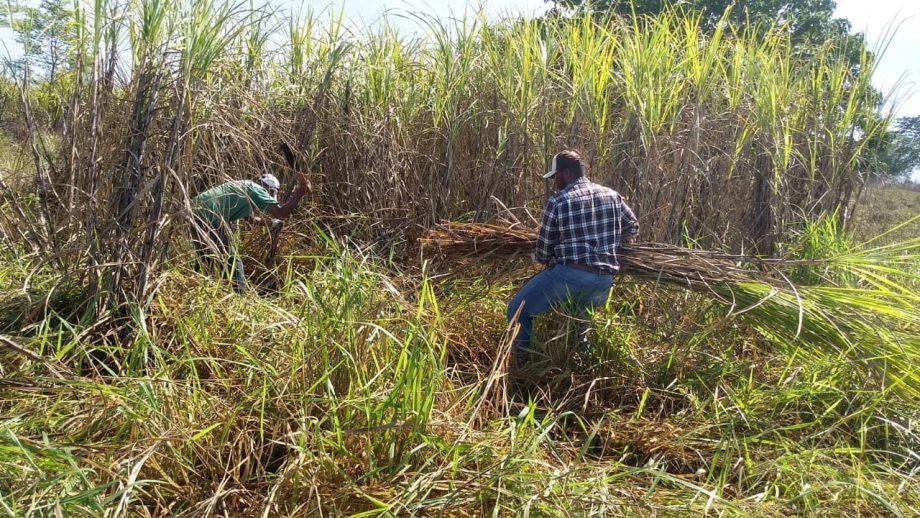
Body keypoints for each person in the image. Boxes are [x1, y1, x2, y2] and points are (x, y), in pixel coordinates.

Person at [506, 150, 638, 368]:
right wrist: (610, 243)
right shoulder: (612, 195)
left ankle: (520, 366)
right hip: (604, 279)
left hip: (571, 275)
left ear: (566, 173)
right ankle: (582, 369)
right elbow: (632, 226)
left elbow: (543, 251)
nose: (555, 182)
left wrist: (539, 256)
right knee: (578, 328)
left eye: (555, 176)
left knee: (518, 310)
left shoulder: (558, 201)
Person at [190, 170, 310, 293]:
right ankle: (239, 298)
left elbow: (251, 220)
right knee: (233, 262)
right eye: (273, 193)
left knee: (206, 257)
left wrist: (272, 223)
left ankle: (193, 288)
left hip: (194, 212)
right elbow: (282, 213)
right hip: (209, 217)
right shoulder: (258, 190)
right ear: (270, 189)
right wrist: (300, 192)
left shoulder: (247, 188)